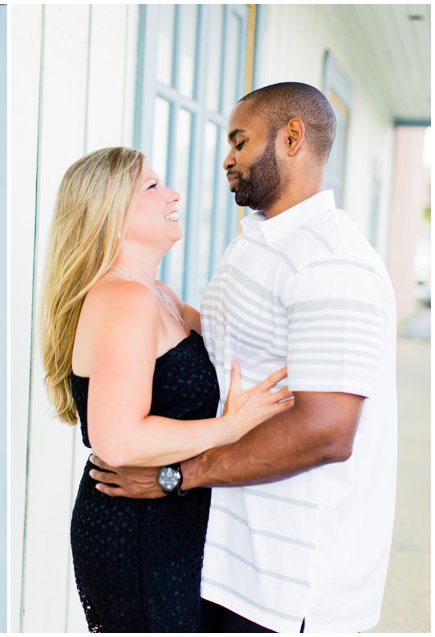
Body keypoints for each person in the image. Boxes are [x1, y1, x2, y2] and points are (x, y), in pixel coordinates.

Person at [90, 82, 398, 633]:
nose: (226, 159)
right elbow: (234, 345)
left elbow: (326, 431)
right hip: (225, 562)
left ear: (292, 137)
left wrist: (173, 477)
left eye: (240, 141)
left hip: (289, 585)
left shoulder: (332, 262)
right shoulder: (257, 241)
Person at [39, 147, 294, 632]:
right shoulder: (123, 299)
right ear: (109, 212)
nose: (173, 194)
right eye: (152, 187)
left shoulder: (159, 295)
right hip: (135, 528)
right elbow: (117, 440)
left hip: (171, 518)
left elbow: (235, 342)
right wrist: (230, 427)